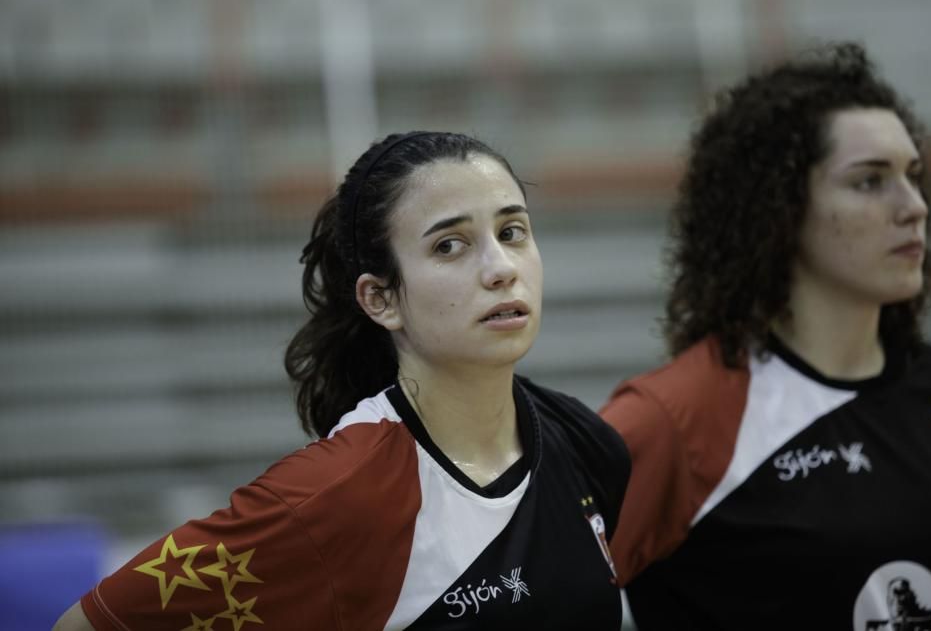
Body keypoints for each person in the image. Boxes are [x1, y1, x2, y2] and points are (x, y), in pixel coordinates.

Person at [54, 131, 630, 630]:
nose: (501, 268)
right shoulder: (335, 496)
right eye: (449, 245)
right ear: (380, 299)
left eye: (512, 232)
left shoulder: (584, 442)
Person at [601, 43, 931, 629]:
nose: (913, 207)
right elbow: (530, 585)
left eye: (913, 178)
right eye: (870, 182)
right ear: (778, 208)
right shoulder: (677, 417)